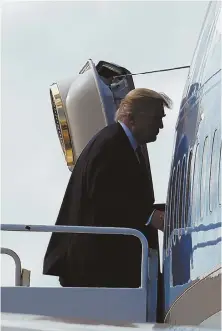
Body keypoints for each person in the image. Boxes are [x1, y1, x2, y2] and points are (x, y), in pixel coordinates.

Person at [43, 88, 172, 288]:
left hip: (101, 266)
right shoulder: (111, 144)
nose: (161, 125)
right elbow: (104, 198)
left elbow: (120, 197)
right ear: (132, 118)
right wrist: (149, 215)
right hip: (95, 269)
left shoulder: (117, 142)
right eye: (156, 118)